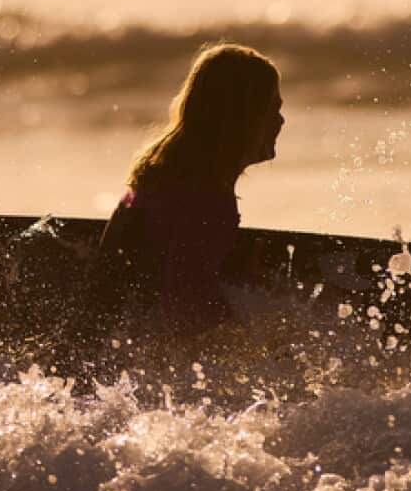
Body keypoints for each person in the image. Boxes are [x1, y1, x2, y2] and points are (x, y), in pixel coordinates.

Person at [88, 43, 284, 345]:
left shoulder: (161, 175)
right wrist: (255, 347)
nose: (280, 121)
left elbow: (150, 265)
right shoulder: (207, 200)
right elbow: (185, 309)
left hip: (99, 338)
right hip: (126, 354)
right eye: (273, 109)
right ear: (243, 120)